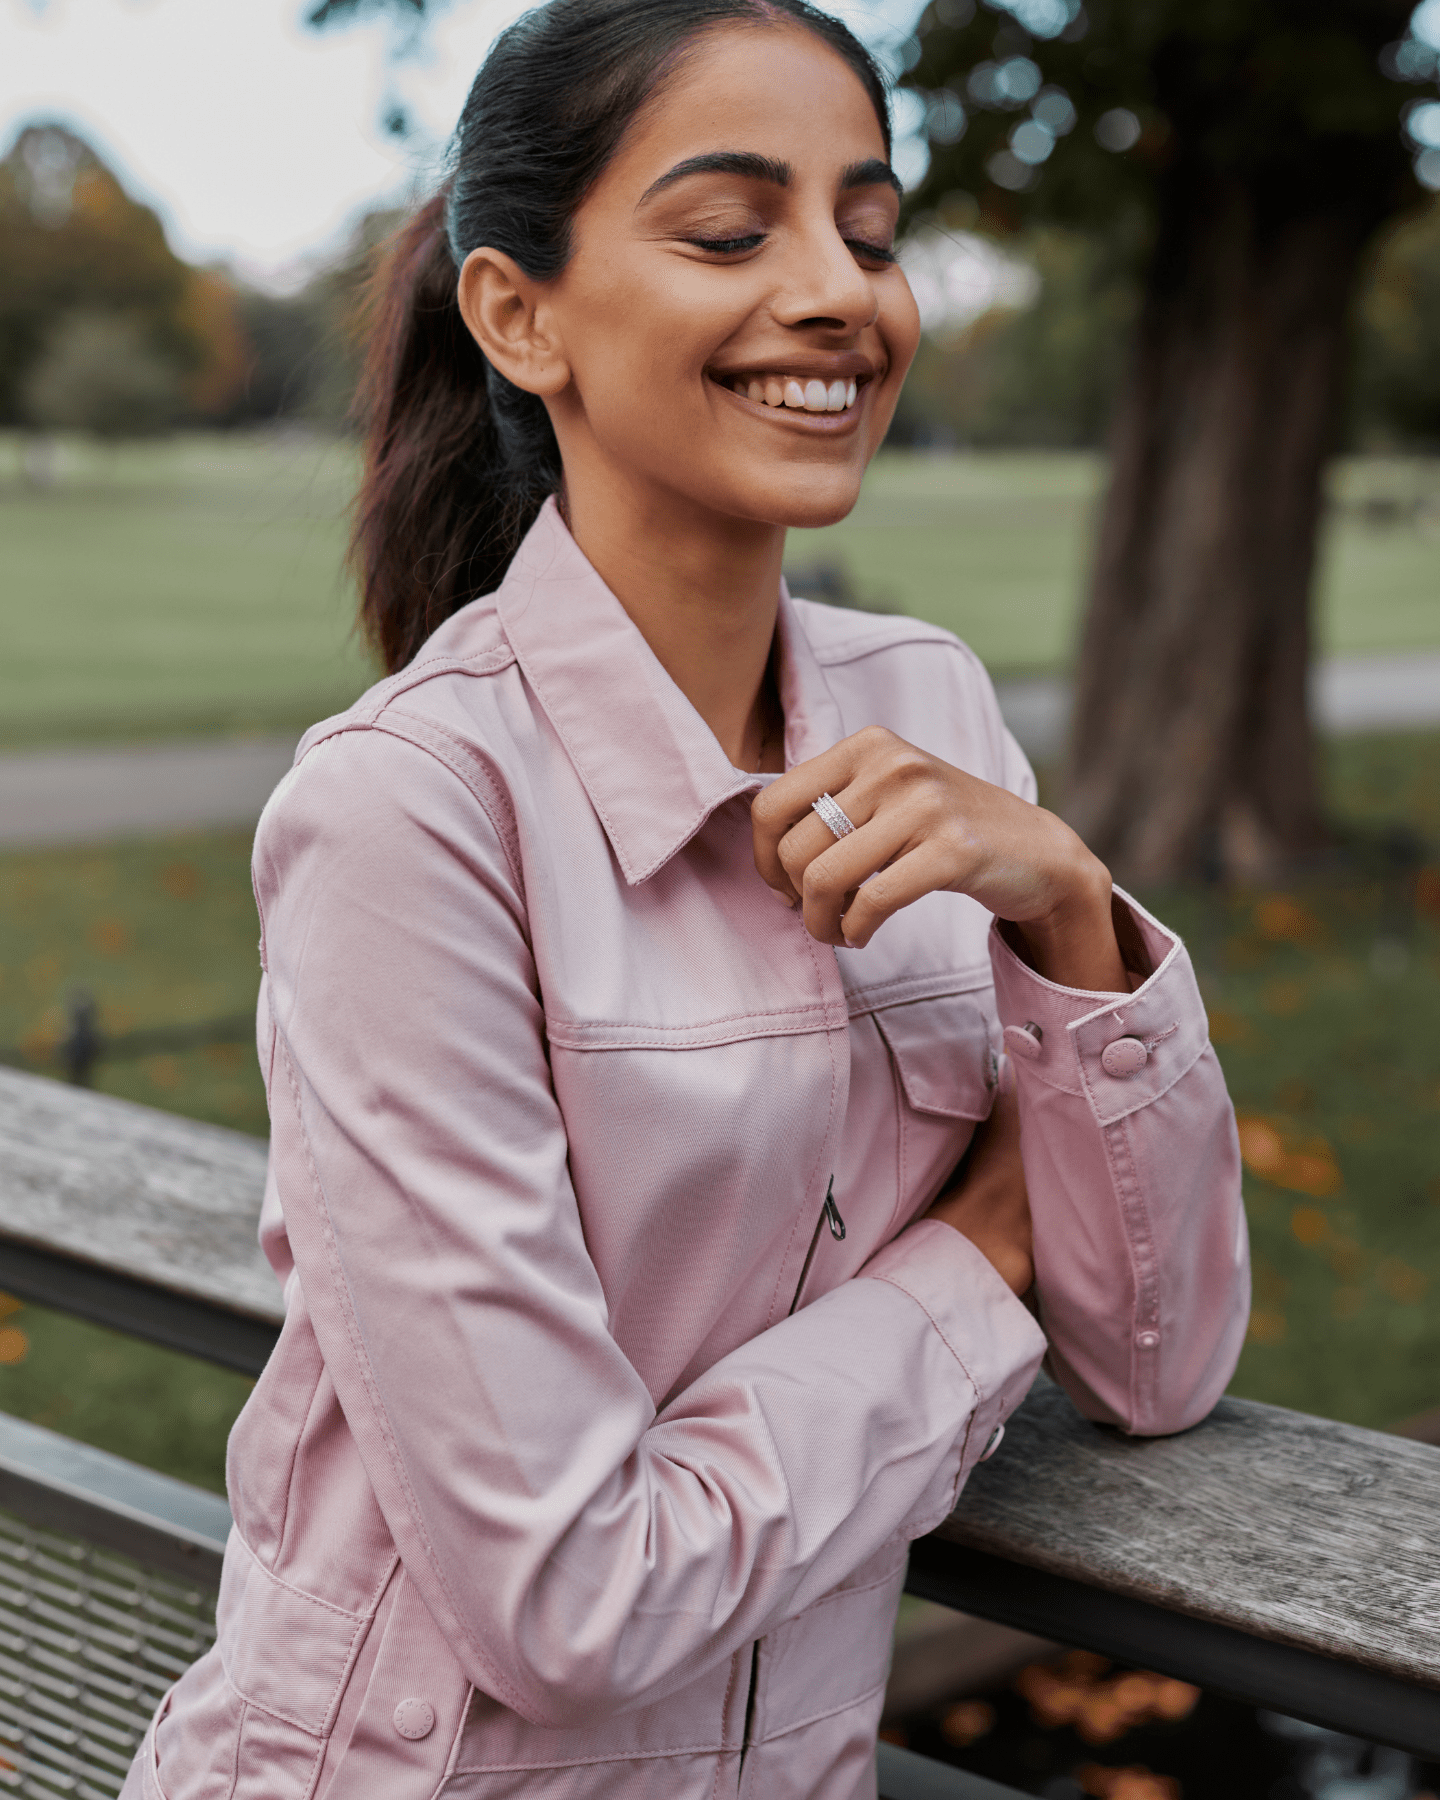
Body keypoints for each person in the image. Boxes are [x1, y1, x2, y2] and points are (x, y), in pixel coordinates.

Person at [123, 3, 1248, 1796]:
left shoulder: (932, 708)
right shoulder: (409, 814)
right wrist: (990, 1254)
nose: (839, 294)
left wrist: (1073, 917)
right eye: (732, 231)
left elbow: (1163, 1359)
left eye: (868, 233)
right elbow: (571, 1598)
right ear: (520, 316)